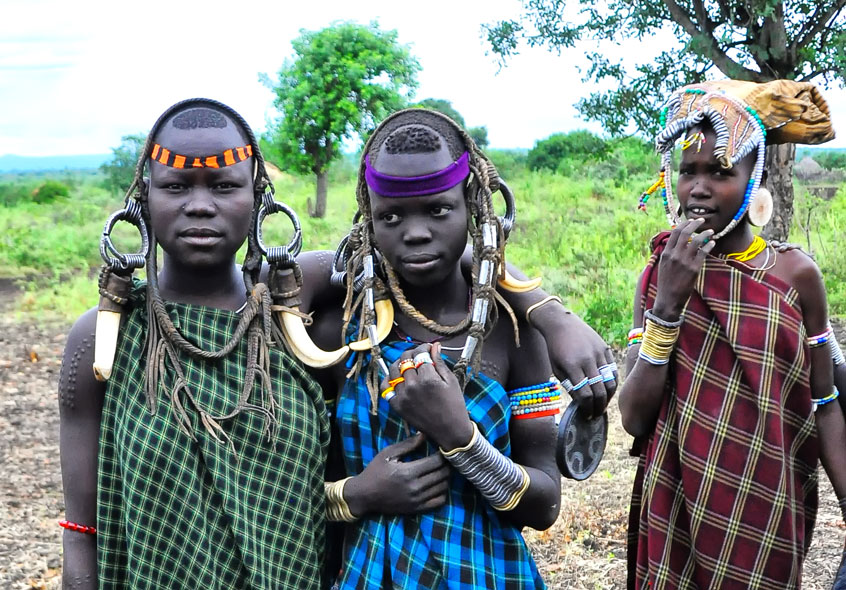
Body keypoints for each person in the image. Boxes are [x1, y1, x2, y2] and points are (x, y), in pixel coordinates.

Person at [58, 98, 330, 590]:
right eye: (176, 186)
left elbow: (386, 255)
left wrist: (481, 266)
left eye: (224, 186)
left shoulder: (291, 312)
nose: (200, 205)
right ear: (143, 199)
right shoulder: (104, 337)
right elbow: (80, 533)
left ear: (258, 198)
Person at [303, 108, 575, 589]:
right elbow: (293, 492)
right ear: (368, 219)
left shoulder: (511, 333)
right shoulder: (339, 332)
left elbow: (544, 506)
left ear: (471, 205)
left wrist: (461, 439)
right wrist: (360, 495)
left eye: (438, 210)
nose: (415, 232)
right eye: (390, 216)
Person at [618, 80, 846, 589]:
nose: (698, 188)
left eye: (720, 172)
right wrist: (667, 305)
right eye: (688, 171)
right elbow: (633, 418)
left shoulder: (795, 276)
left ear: (753, 178)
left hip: (770, 505)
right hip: (674, 503)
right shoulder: (658, 276)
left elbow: (825, 402)